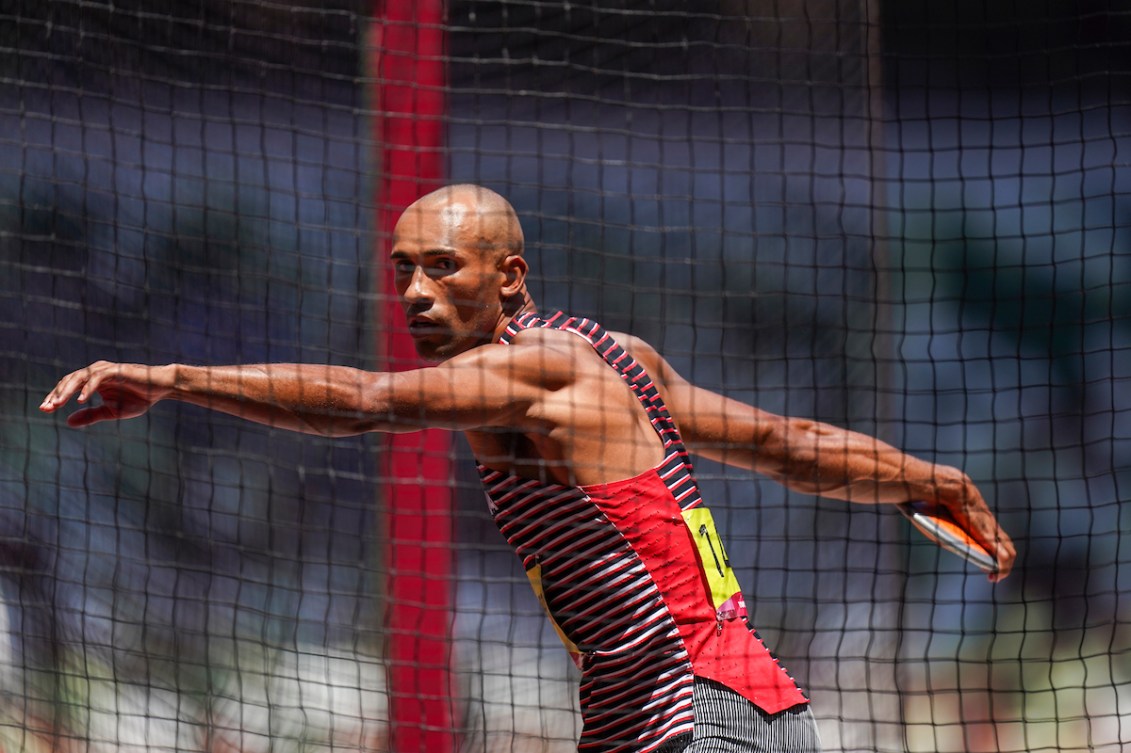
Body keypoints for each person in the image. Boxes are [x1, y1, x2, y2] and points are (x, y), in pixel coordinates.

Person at [41, 184, 1015, 753]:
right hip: (716, 713)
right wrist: (925, 479)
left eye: (444, 269)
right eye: (404, 272)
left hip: (697, 716)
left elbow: (365, 402)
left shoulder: (533, 372)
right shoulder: (611, 353)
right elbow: (787, 446)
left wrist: (170, 377)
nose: (417, 294)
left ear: (510, 275)